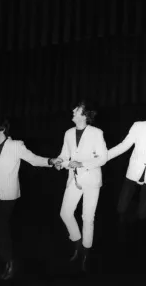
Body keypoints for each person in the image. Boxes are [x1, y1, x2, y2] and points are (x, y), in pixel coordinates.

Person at [0, 119, 60, 280]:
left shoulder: (16, 146)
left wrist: (51, 161)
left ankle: (10, 262)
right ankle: (9, 258)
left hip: (8, 196)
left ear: (1, 130)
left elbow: (34, 159)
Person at [54, 101, 107, 271]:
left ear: (84, 115)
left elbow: (102, 158)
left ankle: (86, 254)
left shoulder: (96, 133)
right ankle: (78, 244)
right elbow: (64, 154)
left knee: (87, 218)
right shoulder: (68, 133)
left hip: (91, 180)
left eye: (76, 110)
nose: (73, 111)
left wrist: (81, 164)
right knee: (65, 213)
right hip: (74, 180)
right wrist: (59, 161)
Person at [108, 122, 146, 226]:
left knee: (144, 204)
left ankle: (141, 220)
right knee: (126, 194)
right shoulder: (138, 126)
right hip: (135, 167)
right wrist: (106, 155)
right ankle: (120, 217)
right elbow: (124, 145)